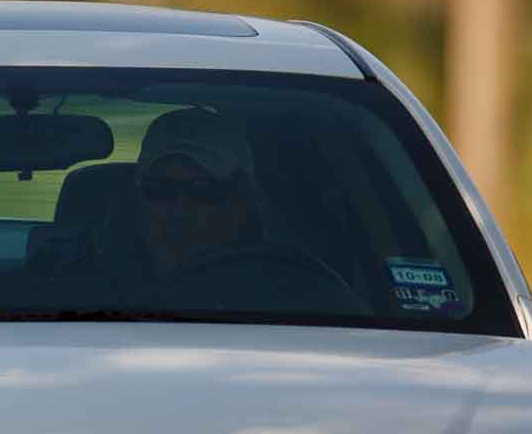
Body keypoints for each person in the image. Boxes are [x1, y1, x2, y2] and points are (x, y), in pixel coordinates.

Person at [110, 106, 364, 314]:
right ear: (137, 199)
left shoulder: (299, 295)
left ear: (245, 200)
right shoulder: (87, 286)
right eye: (160, 189)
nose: (180, 211)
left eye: (205, 189)